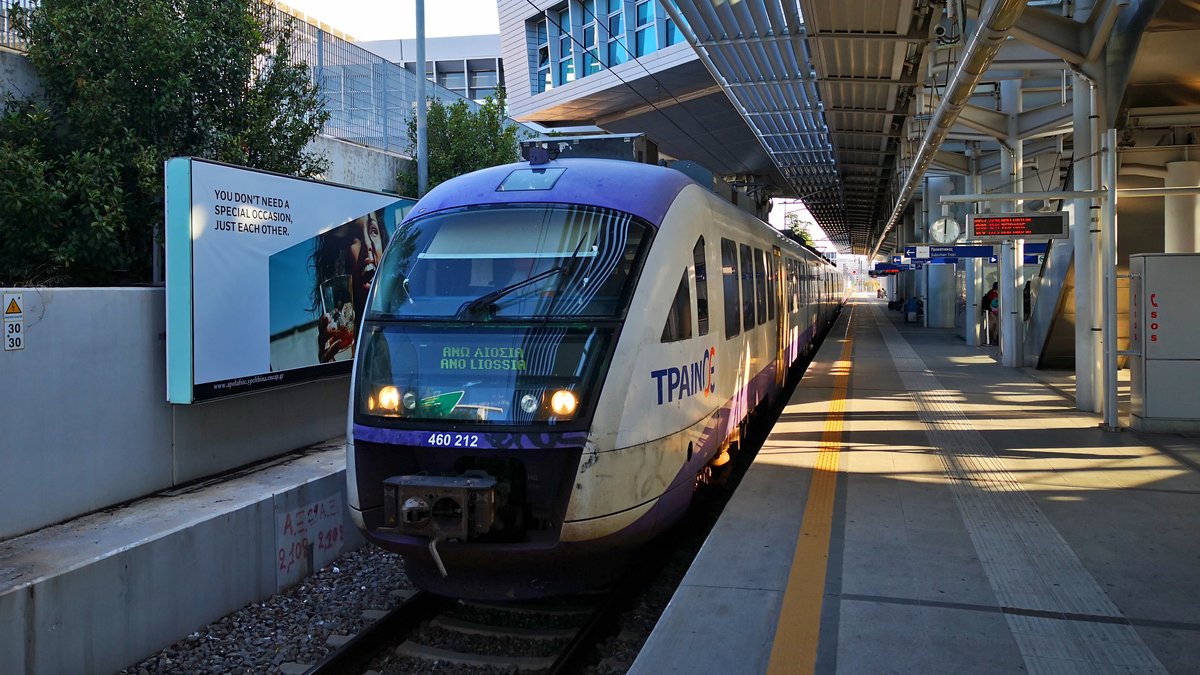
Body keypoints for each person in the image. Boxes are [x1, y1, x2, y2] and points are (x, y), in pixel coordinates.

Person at [311, 210, 389, 363]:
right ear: (340, 256)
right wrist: (330, 369)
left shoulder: (401, 317)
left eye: (373, 231)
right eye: (354, 237)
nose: (368, 245)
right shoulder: (342, 334)